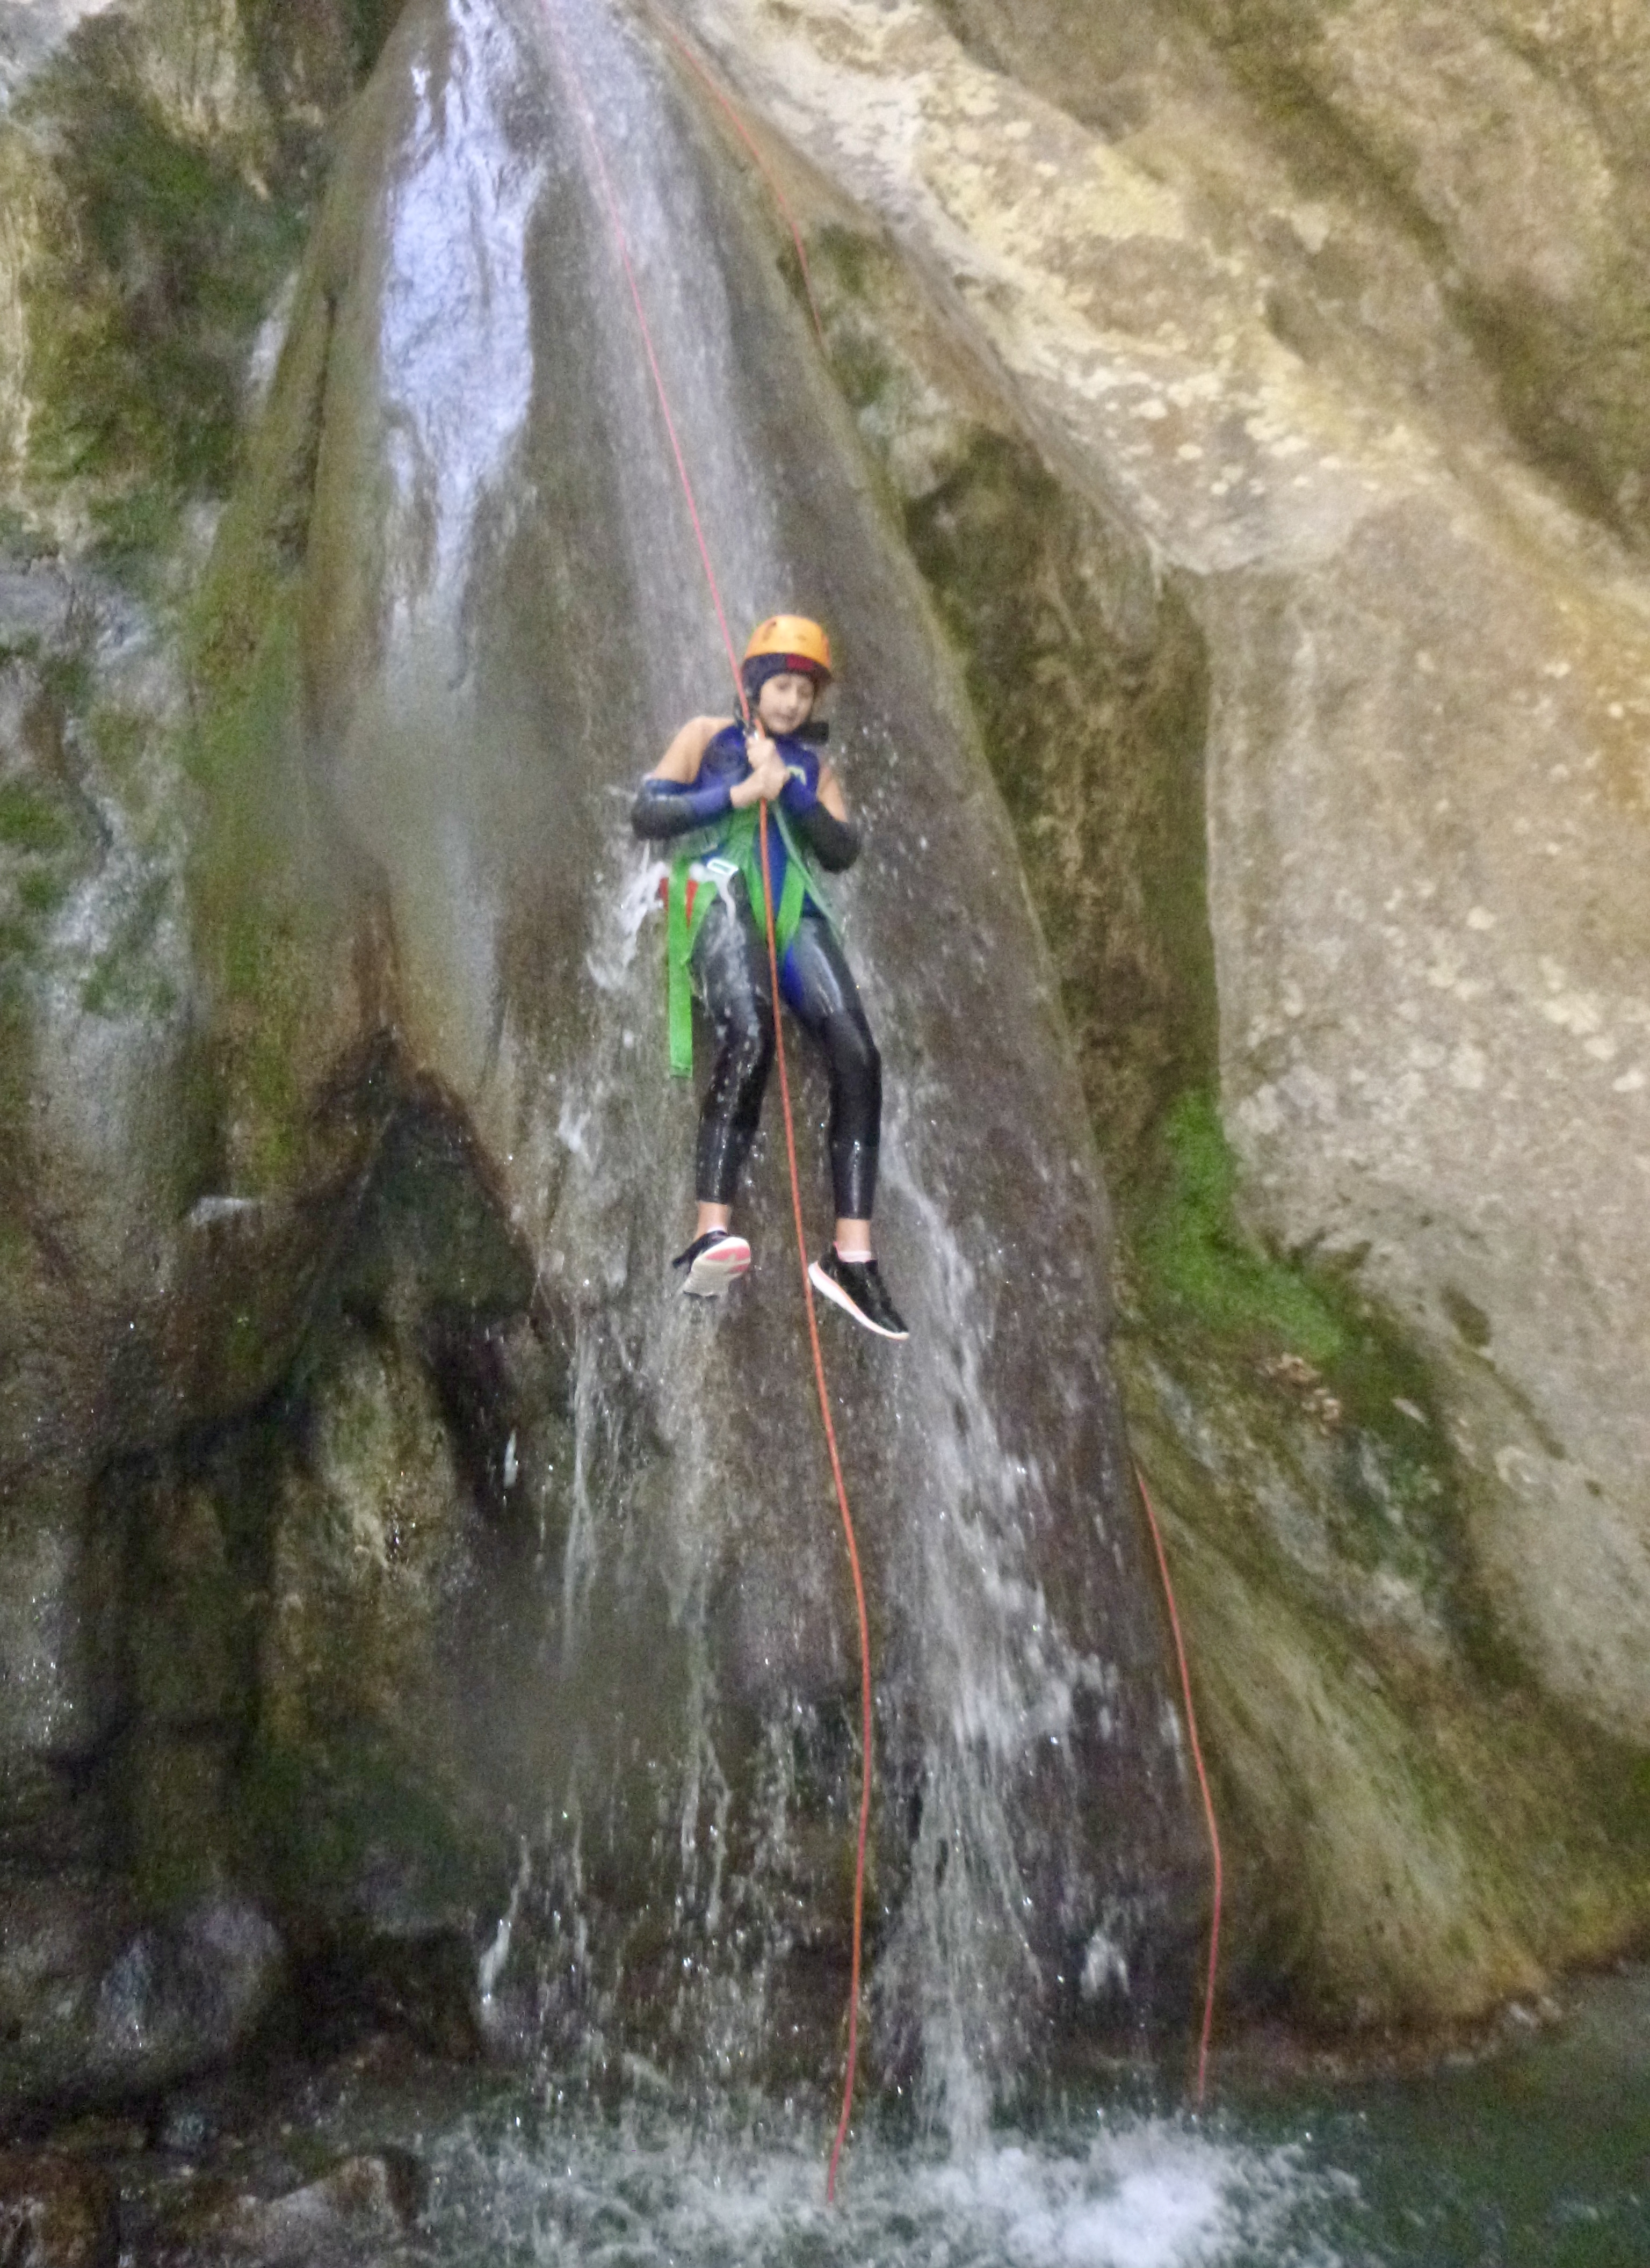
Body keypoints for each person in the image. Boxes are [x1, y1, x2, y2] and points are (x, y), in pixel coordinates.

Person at [631, 614, 908, 1341]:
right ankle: (708, 1233)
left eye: (804, 693)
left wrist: (789, 791)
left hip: (791, 914)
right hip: (719, 893)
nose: (791, 704)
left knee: (858, 1053)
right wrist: (736, 794)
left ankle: (851, 1256)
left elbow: (842, 849)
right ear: (754, 686)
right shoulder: (706, 736)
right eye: (781, 687)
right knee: (750, 1033)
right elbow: (647, 812)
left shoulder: (815, 770)